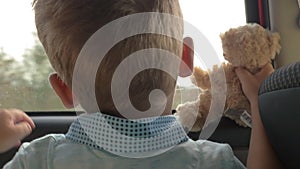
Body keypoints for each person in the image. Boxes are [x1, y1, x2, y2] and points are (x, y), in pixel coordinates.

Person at [4, 0, 281, 168]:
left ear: (65, 90)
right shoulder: (210, 161)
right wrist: (259, 102)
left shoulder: (38, 161)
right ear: (185, 59)